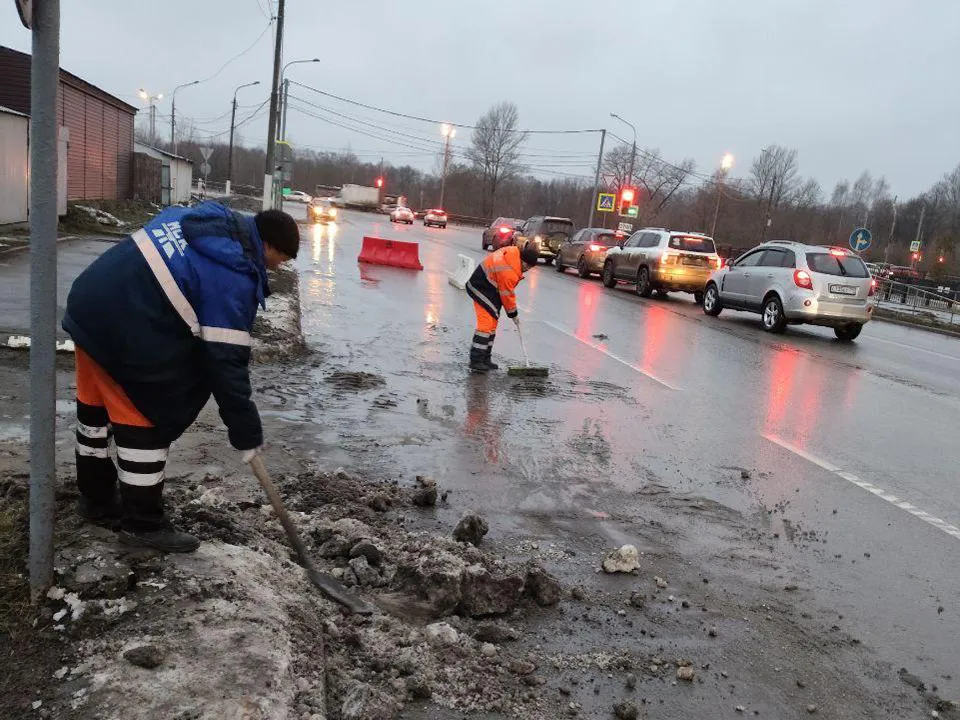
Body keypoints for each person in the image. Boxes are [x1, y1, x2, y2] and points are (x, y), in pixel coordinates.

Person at [62, 202, 300, 553]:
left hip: (89, 306)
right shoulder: (232, 275)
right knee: (145, 415)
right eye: (280, 258)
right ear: (268, 245)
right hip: (124, 325)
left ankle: (96, 499)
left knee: (94, 412)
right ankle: (143, 526)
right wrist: (246, 431)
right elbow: (226, 364)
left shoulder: (208, 220)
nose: (277, 267)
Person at [465, 242, 539, 372]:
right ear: (522, 260)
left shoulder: (513, 253)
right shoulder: (509, 271)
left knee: (492, 324)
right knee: (486, 326)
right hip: (480, 286)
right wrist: (513, 314)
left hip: (490, 285)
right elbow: (507, 295)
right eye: (526, 266)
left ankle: (485, 358)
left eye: (530, 267)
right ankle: (476, 360)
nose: (527, 269)